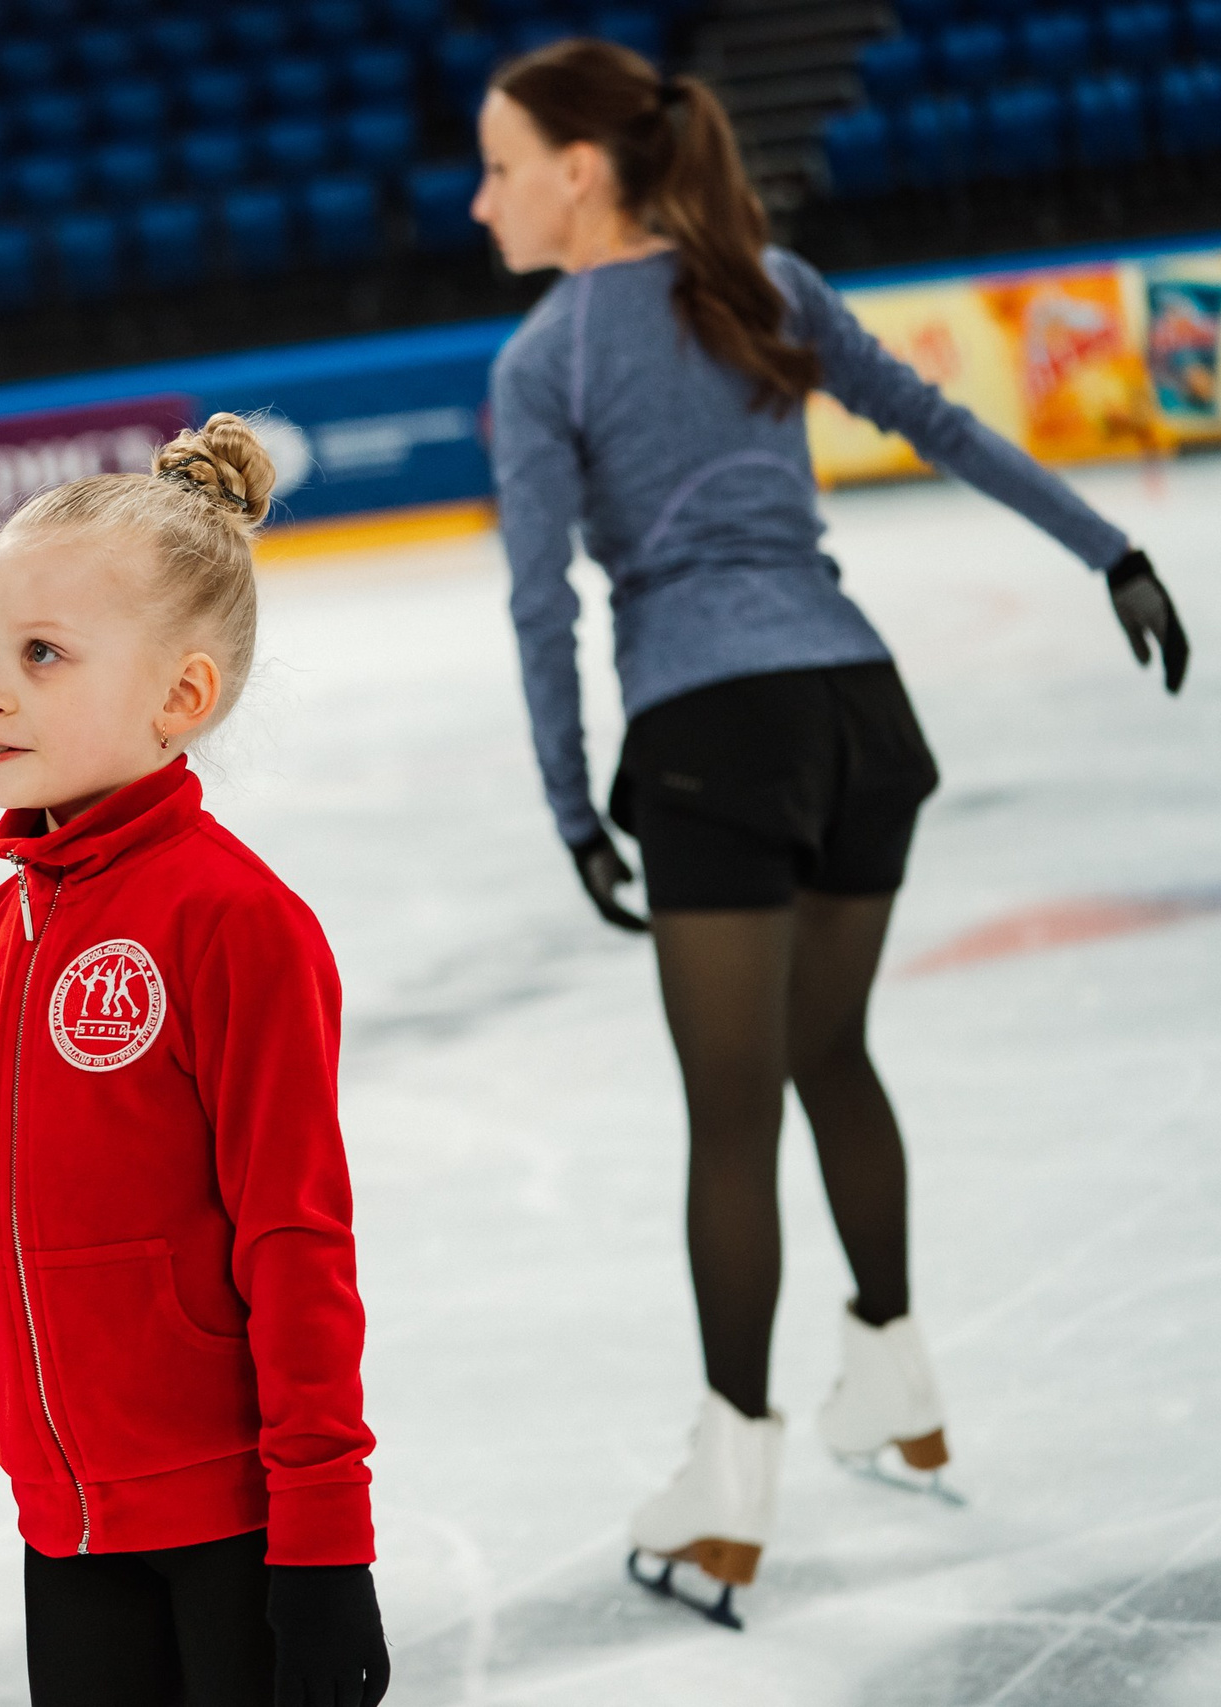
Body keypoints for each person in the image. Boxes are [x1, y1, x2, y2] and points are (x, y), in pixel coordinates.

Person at [473, 39, 1191, 1627]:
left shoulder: (545, 363)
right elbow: (937, 421)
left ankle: (727, 1498)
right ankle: (898, 1378)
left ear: (578, 172)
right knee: (830, 1054)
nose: (480, 198)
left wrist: (568, 801)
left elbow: (543, 603)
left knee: (731, 1119)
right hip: (861, 719)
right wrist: (1113, 550)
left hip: (716, 736)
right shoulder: (766, 278)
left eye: (501, 165)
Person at [0, 415, 390, 1707]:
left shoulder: (235, 922)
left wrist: (328, 1544)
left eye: (43, 656)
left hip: (239, 1526)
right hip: (66, 1536)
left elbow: (296, 1242)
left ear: (183, 697)